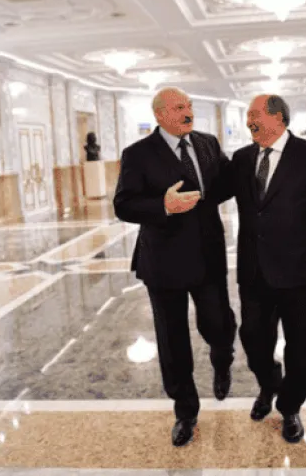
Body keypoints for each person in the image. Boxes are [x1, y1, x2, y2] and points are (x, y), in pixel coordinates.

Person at [216, 94, 306, 443]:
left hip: (301, 270)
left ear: (278, 118)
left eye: (254, 114)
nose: (248, 121)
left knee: (301, 346)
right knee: (253, 339)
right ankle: (269, 382)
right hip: (254, 271)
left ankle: (290, 407)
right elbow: (215, 191)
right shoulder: (243, 159)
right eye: (248, 115)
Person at [112, 87, 238, 447]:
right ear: (160, 115)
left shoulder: (207, 143)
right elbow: (123, 205)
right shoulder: (137, 154)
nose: (188, 112)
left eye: (189, 106)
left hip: (208, 254)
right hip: (163, 261)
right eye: (180, 107)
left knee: (218, 323)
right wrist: (163, 206)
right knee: (172, 339)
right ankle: (185, 411)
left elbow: (225, 183)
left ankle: (222, 359)